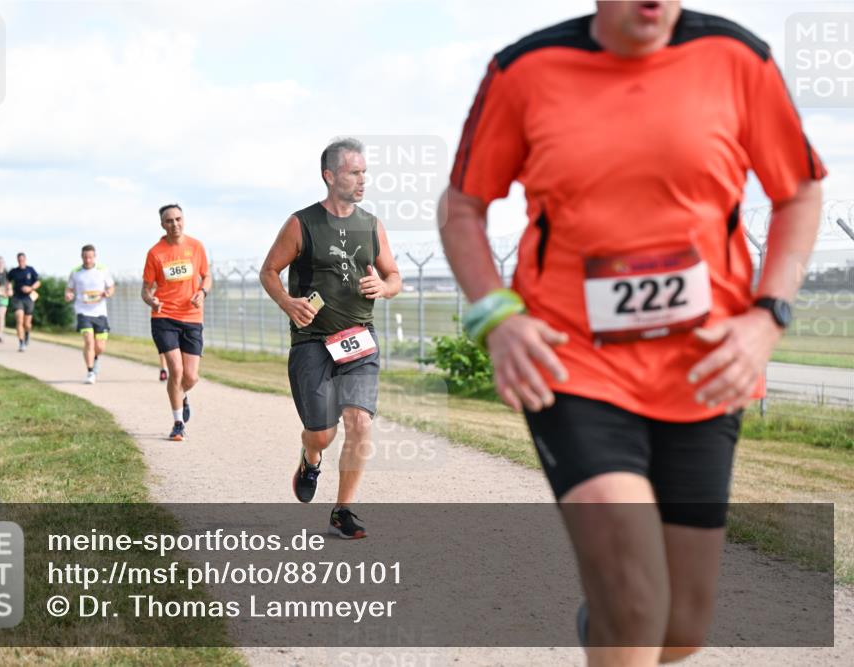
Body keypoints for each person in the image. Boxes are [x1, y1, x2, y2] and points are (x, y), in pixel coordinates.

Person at [441, 2, 825, 664]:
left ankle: (611, 623)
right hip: (572, 363)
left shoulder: (739, 58)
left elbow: (800, 192)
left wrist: (769, 314)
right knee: (638, 598)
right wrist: (496, 320)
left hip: (704, 369)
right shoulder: (523, 70)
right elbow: (462, 206)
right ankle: (621, 611)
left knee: (680, 627)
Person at [259, 138, 402, 540]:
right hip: (312, 342)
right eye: (354, 172)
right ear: (330, 176)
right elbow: (269, 271)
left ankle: (343, 509)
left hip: (359, 339)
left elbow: (394, 276)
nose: (362, 180)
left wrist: (384, 286)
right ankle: (310, 457)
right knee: (323, 433)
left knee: (359, 422)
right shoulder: (301, 224)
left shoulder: (371, 225)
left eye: (364, 172)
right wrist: (288, 303)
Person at [140, 203, 212, 441]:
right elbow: (146, 290)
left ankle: (181, 395)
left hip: (191, 317)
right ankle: (178, 422)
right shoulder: (155, 253)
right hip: (164, 317)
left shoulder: (196, 246)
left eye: (178, 219)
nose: (175, 224)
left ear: (184, 220)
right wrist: (152, 302)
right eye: (169, 221)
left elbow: (207, 276)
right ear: (162, 224)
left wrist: (202, 292)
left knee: (190, 377)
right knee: (176, 370)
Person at [65, 244, 115, 384]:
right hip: (83, 311)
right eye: (85, 257)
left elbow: (111, 287)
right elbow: (69, 289)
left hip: (100, 313)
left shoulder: (102, 270)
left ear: (95, 257)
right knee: (88, 340)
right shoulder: (75, 272)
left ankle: (95, 358)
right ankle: (90, 371)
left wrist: (107, 293)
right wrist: (68, 295)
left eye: (90, 257)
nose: (88, 260)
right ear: (82, 257)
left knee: (100, 347)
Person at [7, 252, 41, 352]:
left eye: (22, 260)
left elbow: (38, 282)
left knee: (27, 324)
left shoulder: (30, 270)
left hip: (29, 298)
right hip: (17, 298)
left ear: (25, 260)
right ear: (17, 260)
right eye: (19, 260)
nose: (21, 262)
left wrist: (30, 288)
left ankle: (27, 333)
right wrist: (9, 289)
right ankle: (21, 343)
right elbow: (7, 281)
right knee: (19, 320)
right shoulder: (14, 271)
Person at [0, 256, 9, 343]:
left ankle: (0, 335)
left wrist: (9, 291)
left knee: (1, 316)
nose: (0, 264)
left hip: (3, 298)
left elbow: (9, 285)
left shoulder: (7, 274)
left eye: (2, 262)